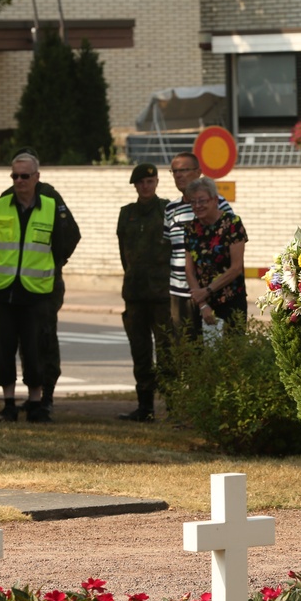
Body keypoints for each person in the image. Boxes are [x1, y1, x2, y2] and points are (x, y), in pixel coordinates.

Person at [0, 152, 77, 423]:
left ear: (37, 177)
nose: (19, 180)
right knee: (4, 348)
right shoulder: (0, 205)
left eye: (25, 176)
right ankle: (8, 404)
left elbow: (63, 243)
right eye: (15, 175)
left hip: (37, 292)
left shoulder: (50, 206)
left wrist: (49, 267)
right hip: (3, 290)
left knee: (36, 348)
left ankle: (37, 403)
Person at [117, 163, 171, 422]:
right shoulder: (126, 213)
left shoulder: (167, 210)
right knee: (140, 352)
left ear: (157, 182)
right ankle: (145, 407)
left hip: (162, 294)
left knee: (167, 352)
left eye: (149, 182)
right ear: (135, 186)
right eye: (140, 183)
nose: (145, 186)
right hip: (135, 294)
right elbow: (123, 254)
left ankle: (173, 407)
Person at [163, 152, 233, 341]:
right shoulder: (171, 209)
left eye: (184, 170)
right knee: (186, 350)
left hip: (211, 290)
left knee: (216, 352)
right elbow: (170, 248)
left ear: (198, 172)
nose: (179, 175)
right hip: (180, 292)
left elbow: (229, 246)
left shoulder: (218, 204)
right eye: (175, 171)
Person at [182, 178, 248, 333]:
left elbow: (236, 267)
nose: (197, 206)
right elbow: (189, 269)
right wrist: (202, 303)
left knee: (233, 352)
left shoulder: (232, 223)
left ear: (215, 200)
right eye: (193, 202)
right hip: (202, 302)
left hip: (231, 299)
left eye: (202, 201)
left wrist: (207, 290)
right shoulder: (190, 228)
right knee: (200, 352)